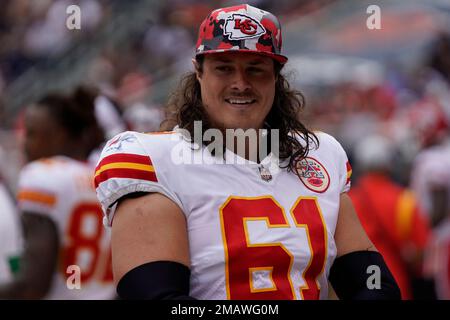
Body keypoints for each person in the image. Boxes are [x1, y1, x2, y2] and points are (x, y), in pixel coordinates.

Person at [95, 4, 400, 300]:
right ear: (198, 72)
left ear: (276, 78)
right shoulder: (155, 159)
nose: (240, 84)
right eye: (224, 69)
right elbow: (156, 295)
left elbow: (374, 283)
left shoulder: (319, 155)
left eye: (255, 70)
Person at [0, 87, 115, 299]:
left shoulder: (42, 176)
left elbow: (33, 286)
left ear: (59, 135)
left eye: (32, 134)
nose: (24, 143)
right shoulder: (102, 177)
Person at [349, 135, 432, 299]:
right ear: (389, 164)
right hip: (395, 285)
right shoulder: (405, 200)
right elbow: (421, 252)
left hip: (357, 286)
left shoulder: (347, 200)